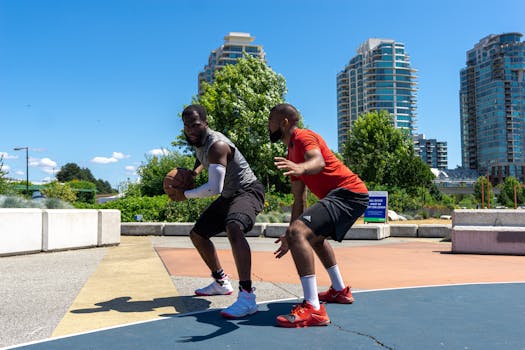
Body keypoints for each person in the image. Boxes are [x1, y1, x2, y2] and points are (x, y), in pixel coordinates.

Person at [267, 103, 369, 328]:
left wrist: (301, 168)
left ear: (284, 122)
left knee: (299, 233)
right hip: (347, 196)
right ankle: (340, 290)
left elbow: (318, 161)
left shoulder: (303, 137)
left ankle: (313, 308)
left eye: (271, 119)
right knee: (313, 237)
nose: (268, 124)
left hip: (349, 193)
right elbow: (299, 200)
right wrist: (290, 235)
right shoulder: (290, 152)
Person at [167, 104, 265, 319]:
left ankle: (248, 297)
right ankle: (220, 281)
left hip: (248, 191)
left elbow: (213, 188)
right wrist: (193, 172)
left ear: (205, 123)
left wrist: (185, 194)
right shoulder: (198, 141)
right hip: (230, 194)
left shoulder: (218, 145)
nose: (190, 130)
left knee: (234, 226)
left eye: (195, 125)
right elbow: (202, 157)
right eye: (186, 126)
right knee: (198, 234)